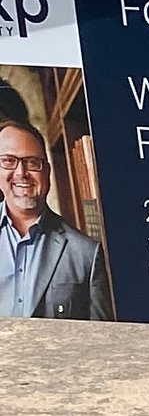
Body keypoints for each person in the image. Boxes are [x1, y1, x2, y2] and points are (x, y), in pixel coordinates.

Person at [0, 93, 108, 319]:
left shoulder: (87, 254)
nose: (21, 173)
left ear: (47, 173)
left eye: (32, 162)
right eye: (8, 161)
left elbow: (99, 345)